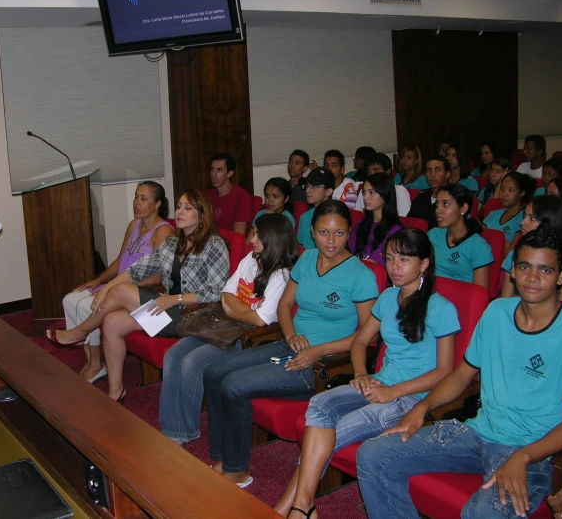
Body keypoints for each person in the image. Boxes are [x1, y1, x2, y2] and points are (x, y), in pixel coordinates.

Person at [357, 227, 562, 519]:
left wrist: (523, 456)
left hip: (532, 452)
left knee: (481, 513)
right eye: (524, 266)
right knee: (373, 454)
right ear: (512, 270)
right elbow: (462, 374)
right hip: (477, 432)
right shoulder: (497, 312)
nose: (532, 278)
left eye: (545, 270)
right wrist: (421, 408)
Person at [274, 229, 459, 519]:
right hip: (378, 384)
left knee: (330, 430)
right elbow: (361, 340)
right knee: (319, 405)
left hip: (410, 398)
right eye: (389, 259)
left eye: (404, 259)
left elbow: (446, 370)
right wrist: (361, 373)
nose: (394, 267)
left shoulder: (441, 308)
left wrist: (393, 392)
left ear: (423, 264)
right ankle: (301, 505)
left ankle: (294, 507)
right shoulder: (388, 297)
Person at [204, 200, 379, 488]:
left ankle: (237, 471)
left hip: (322, 363)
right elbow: (285, 306)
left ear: (349, 232)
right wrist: (290, 336)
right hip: (289, 345)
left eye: (339, 233)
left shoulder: (361, 276)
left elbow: (369, 336)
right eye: (323, 232)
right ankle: (222, 454)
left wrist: (319, 350)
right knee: (214, 372)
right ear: (312, 231)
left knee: (234, 385)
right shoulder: (308, 258)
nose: (331, 241)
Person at [159, 213, 297, 445]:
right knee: (173, 355)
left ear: (272, 240)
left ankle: (184, 432)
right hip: (224, 325)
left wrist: (235, 309)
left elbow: (261, 321)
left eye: (257, 235)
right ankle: (173, 428)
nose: (251, 240)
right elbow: (226, 293)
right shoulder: (250, 260)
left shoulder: (281, 275)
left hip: (247, 338)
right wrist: (240, 311)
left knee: (193, 362)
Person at [46, 182, 173, 382]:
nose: (136, 203)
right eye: (136, 196)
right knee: (70, 299)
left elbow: (159, 277)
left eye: (143, 198)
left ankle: (96, 364)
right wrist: (97, 281)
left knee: (86, 305)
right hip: (117, 284)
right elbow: (120, 261)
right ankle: (90, 361)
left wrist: (120, 288)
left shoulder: (163, 231)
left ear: (157, 204)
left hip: (135, 290)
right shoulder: (134, 225)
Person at [501, 195, 562, 302]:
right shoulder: (514, 254)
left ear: (550, 223)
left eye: (531, 218)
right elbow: (505, 301)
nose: (523, 222)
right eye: (524, 216)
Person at [430, 184, 493, 292]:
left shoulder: (478, 246)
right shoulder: (433, 234)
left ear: (463, 208)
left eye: (445, 204)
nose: (438, 210)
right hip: (430, 296)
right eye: (437, 204)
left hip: (460, 302)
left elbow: (480, 293)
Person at [349, 173, 403, 268]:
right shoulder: (361, 224)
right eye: (364, 192)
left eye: (371, 192)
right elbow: (348, 251)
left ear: (385, 194)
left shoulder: (395, 230)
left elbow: (375, 261)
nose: (365, 197)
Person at [484, 172, 535, 254]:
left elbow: (510, 252)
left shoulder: (524, 219)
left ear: (522, 193)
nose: (504, 194)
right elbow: (478, 239)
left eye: (510, 190)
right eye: (502, 189)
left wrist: (491, 238)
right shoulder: (493, 214)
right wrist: (503, 242)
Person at [206, 152, 251, 235]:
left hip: (228, 244)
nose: (214, 174)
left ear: (230, 173)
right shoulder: (208, 195)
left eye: (219, 170)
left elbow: (238, 235)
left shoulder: (241, 196)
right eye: (212, 169)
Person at [246, 177, 295, 245]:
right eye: (267, 196)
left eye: (275, 197)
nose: (270, 200)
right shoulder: (261, 214)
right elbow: (248, 242)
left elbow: (281, 246)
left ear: (286, 198)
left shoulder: (287, 218)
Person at [408, 157, 451, 231]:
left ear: (447, 174)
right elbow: (409, 224)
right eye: (429, 170)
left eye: (438, 170)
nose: (433, 174)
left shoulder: (454, 198)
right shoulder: (420, 199)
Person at [296, 168, 335, 249]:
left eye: (314, 187)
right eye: (307, 186)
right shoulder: (305, 217)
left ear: (328, 191)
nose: (308, 190)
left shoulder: (335, 217)